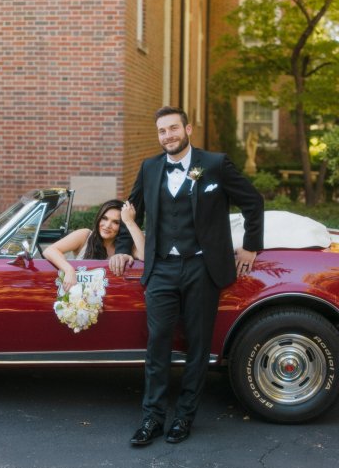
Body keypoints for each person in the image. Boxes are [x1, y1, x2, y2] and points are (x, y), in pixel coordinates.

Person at [109, 106, 264, 446]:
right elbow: (129, 210)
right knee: (158, 342)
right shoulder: (150, 168)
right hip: (161, 268)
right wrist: (122, 247)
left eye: (174, 128)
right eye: (162, 131)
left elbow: (253, 201)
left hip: (202, 268)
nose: (168, 136)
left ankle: (184, 418)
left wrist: (251, 246)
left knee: (197, 346)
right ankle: (152, 419)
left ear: (188, 129)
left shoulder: (214, 164)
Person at [44, 199, 144, 292]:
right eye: (104, 218)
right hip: (79, 301)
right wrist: (69, 270)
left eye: (116, 222)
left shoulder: (126, 246)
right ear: (99, 218)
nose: (107, 225)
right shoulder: (85, 235)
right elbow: (50, 250)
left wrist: (129, 221)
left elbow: (144, 255)